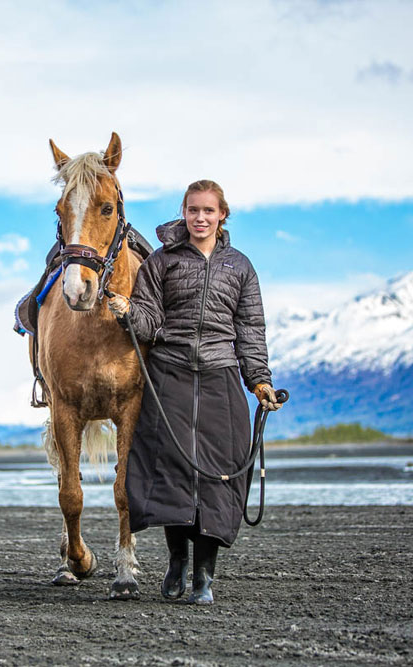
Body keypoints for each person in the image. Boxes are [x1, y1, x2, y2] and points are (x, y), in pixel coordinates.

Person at [106, 179, 281, 605]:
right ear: (183, 213)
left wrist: (259, 380)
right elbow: (149, 320)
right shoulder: (162, 261)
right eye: (193, 210)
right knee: (173, 476)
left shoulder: (240, 267)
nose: (200, 218)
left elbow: (250, 330)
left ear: (223, 215)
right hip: (170, 374)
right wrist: (130, 314)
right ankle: (177, 562)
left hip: (221, 377)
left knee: (218, 477)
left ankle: (204, 575)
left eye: (208, 211)